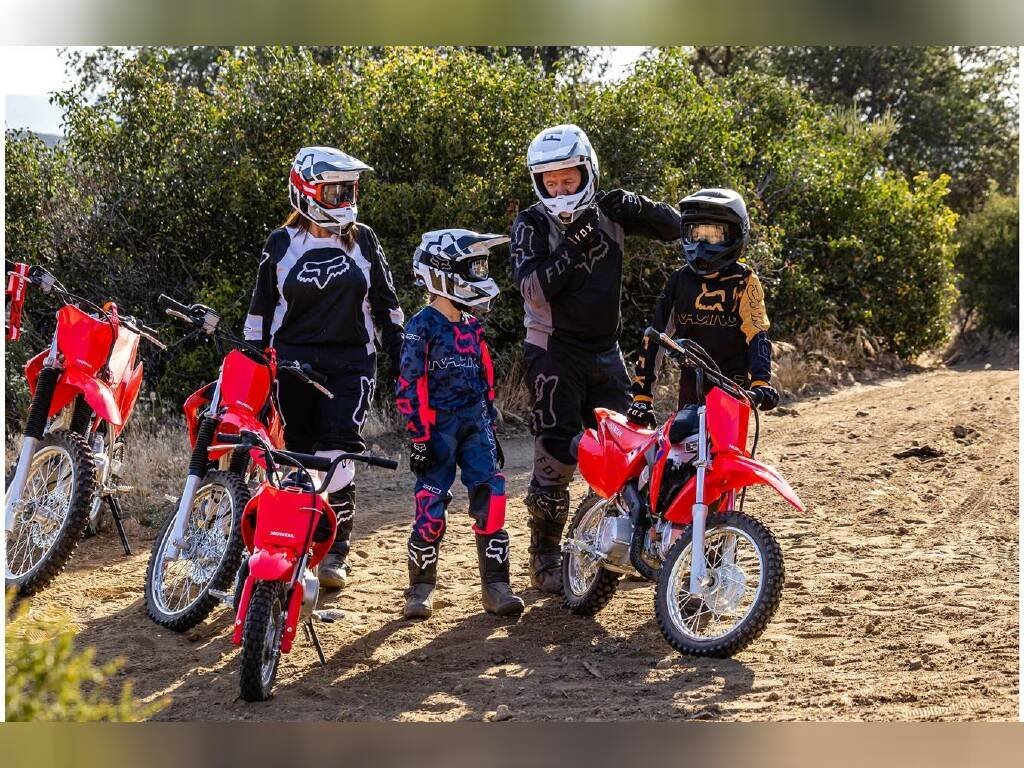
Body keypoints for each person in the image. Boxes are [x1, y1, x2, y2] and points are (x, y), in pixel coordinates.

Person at [511, 123, 681, 593]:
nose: (560, 191)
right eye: (551, 182)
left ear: (588, 173)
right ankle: (544, 557)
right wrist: (575, 242)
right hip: (552, 348)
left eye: (569, 180)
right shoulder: (531, 223)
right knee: (555, 454)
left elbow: (674, 228)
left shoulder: (609, 211)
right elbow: (534, 289)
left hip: (606, 350)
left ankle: (614, 546)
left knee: (629, 449)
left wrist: (636, 204)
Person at [244, 145, 405, 590]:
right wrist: (255, 362)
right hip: (292, 362)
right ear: (306, 192)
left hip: (352, 363)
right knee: (295, 454)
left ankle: (334, 552)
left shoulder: (364, 239)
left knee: (339, 452)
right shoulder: (281, 244)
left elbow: (387, 305)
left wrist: (401, 355)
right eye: (334, 191)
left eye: (348, 190)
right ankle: (288, 546)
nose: (344, 199)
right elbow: (259, 312)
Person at [395, 229, 525, 619]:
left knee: (492, 497)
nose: (480, 274)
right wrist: (418, 436)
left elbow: (485, 374)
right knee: (430, 505)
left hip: (475, 424)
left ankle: (496, 587)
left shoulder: (471, 324)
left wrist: (490, 422)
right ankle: (420, 589)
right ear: (443, 271)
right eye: (474, 267)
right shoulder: (422, 325)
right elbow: (409, 382)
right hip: (437, 427)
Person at [627, 188, 779, 461]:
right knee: (679, 455)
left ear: (735, 233)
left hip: (733, 388)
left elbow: (757, 332)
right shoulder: (679, 280)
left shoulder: (744, 281)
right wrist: (642, 397)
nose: (702, 243)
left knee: (725, 457)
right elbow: (655, 337)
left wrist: (761, 381)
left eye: (714, 234)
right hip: (692, 385)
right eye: (696, 233)